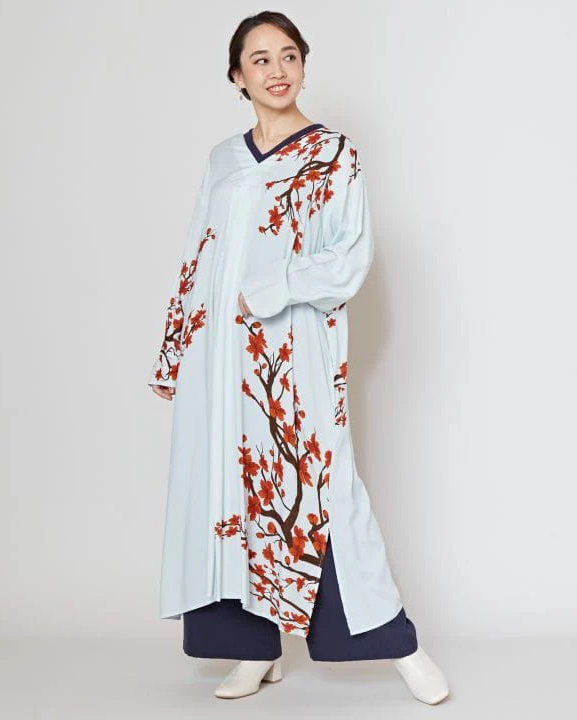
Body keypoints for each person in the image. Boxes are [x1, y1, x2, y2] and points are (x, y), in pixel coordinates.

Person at [148, 10, 450, 704]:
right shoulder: (223, 160)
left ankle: (399, 644)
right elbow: (196, 254)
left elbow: (350, 257)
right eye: (260, 60)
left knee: (320, 488)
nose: (276, 70)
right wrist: (173, 354)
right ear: (237, 76)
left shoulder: (335, 153)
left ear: (304, 65)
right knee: (229, 490)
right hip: (219, 361)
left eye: (288, 55)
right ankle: (254, 650)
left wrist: (270, 288)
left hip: (292, 357)